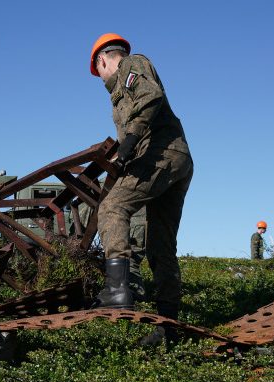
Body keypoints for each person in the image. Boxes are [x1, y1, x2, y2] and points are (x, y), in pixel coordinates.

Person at [90, 33, 193, 320]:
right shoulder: (121, 89)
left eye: (98, 72)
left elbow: (151, 96)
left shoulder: (130, 64)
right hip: (176, 159)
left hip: (161, 154)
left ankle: (117, 291)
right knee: (160, 245)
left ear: (102, 61)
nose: (100, 80)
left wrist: (127, 146)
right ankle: (168, 321)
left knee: (112, 208)